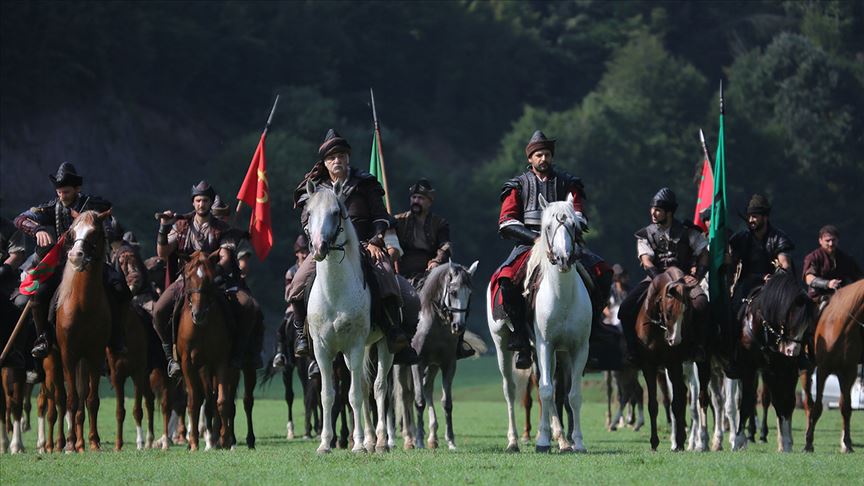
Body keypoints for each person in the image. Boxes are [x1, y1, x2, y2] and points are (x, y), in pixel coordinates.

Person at [288, 129, 418, 365]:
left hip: (365, 246)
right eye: (331, 158)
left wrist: (375, 241)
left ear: (348, 158)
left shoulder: (365, 184)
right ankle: (302, 336)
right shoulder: (315, 187)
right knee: (297, 283)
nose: (337, 160)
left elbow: (380, 216)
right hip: (326, 248)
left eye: (341, 156)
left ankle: (393, 331)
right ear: (325, 163)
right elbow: (306, 219)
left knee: (388, 277)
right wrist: (317, 238)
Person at [493, 130, 610, 369]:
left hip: (566, 240)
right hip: (529, 244)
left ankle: (594, 326)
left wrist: (567, 229)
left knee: (602, 272)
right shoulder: (518, 185)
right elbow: (506, 220)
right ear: (530, 159)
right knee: (506, 280)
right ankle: (521, 340)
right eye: (538, 155)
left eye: (546, 154)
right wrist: (536, 238)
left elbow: (580, 214)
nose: (543, 159)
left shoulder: (568, 183)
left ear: (551, 156)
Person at [13, 162, 129, 358]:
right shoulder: (51, 208)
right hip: (61, 266)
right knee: (39, 295)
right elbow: (20, 219)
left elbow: (108, 209)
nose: (61, 196)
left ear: (77, 189)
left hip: (92, 264)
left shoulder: (93, 203)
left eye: (66, 192)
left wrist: (87, 216)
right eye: (59, 192)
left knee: (121, 290)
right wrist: (38, 229)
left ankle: (116, 336)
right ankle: (43, 338)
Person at [153, 181, 257, 377]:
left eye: (205, 200)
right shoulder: (181, 226)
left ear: (210, 203)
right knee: (158, 310)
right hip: (185, 280)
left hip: (214, 279)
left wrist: (210, 273)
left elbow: (225, 257)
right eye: (198, 200)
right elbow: (162, 253)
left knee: (248, 306)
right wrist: (163, 229)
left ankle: (239, 353)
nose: (202, 204)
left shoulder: (222, 228)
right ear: (193, 202)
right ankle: (171, 358)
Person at [616, 188, 710, 363]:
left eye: (658, 210)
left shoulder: (687, 231)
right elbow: (646, 261)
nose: (653, 212)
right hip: (654, 279)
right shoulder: (646, 234)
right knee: (625, 309)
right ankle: (633, 350)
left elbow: (704, 252)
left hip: (684, 280)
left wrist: (698, 276)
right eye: (652, 208)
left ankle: (698, 347)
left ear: (669, 212)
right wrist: (661, 280)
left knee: (702, 305)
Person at [394, 179, 473, 359]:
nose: (416, 201)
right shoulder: (398, 221)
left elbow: (446, 245)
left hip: (431, 273)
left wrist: (437, 261)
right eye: (413, 197)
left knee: (459, 293)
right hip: (403, 273)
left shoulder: (440, 223)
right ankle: (397, 338)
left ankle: (458, 344)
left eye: (420, 198)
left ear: (429, 201)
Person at [728, 194, 794, 318]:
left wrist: (774, 278)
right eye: (749, 216)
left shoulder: (779, 238)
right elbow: (729, 259)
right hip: (747, 285)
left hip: (774, 286)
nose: (751, 220)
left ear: (765, 218)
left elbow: (785, 266)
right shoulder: (741, 238)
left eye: (754, 216)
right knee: (734, 311)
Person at [273, 234, 310, 370]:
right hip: (294, 307)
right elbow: (288, 294)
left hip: (312, 306)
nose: (304, 255)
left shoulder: (315, 268)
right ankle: (281, 354)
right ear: (296, 254)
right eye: (301, 252)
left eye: (306, 251)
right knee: (281, 329)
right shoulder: (291, 272)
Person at [802, 225, 862, 305]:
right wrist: (827, 284)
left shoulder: (846, 258)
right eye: (827, 240)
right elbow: (808, 278)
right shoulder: (813, 257)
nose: (831, 244)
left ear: (838, 240)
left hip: (841, 298)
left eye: (833, 240)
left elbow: (859, 278)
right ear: (820, 241)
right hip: (817, 299)